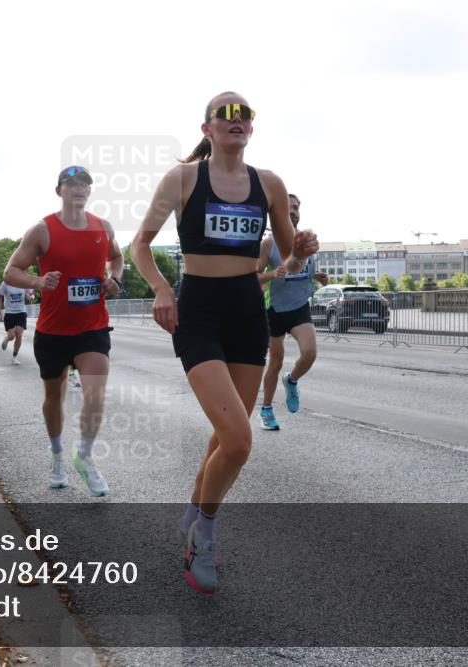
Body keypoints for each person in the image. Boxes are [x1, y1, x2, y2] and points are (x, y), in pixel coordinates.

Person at [130, 92, 318, 595]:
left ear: (252, 128)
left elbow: (288, 261)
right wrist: (161, 289)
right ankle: (205, 536)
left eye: (244, 114)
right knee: (238, 440)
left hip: (247, 314)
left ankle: (195, 510)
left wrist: (301, 252)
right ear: (207, 128)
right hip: (199, 312)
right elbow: (139, 244)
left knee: (224, 434)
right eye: (225, 113)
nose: (236, 120)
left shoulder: (269, 183)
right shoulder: (183, 179)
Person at [4, 166, 123, 496]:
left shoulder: (103, 227)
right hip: (53, 331)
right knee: (53, 398)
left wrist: (115, 279)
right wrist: (38, 281)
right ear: (59, 191)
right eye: (71, 185)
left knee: (96, 392)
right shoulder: (42, 230)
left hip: (92, 327)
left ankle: (84, 456)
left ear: (90, 191)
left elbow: (117, 258)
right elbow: (11, 271)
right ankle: (57, 455)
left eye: (84, 184)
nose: (79, 189)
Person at [257, 194, 328, 430]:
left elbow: (301, 271)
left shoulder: (305, 240)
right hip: (274, 309)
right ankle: (266, 409)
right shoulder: (269, 244)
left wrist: (316, 277)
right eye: (288, 207)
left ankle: (292, 380)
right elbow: (253, 276)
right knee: (275, 361)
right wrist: (271, 274)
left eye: (296, 207)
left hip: (299, 307)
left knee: (310, 353)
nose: (293, 211)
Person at [0, 278, 32, 365]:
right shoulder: (6, 283)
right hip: (9, 313)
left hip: (21, 311)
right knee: (12, 336)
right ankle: (7, 338)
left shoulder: (24, 281)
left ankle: (14, 357)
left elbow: (31, 293)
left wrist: (30, 297)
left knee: (19, 334)